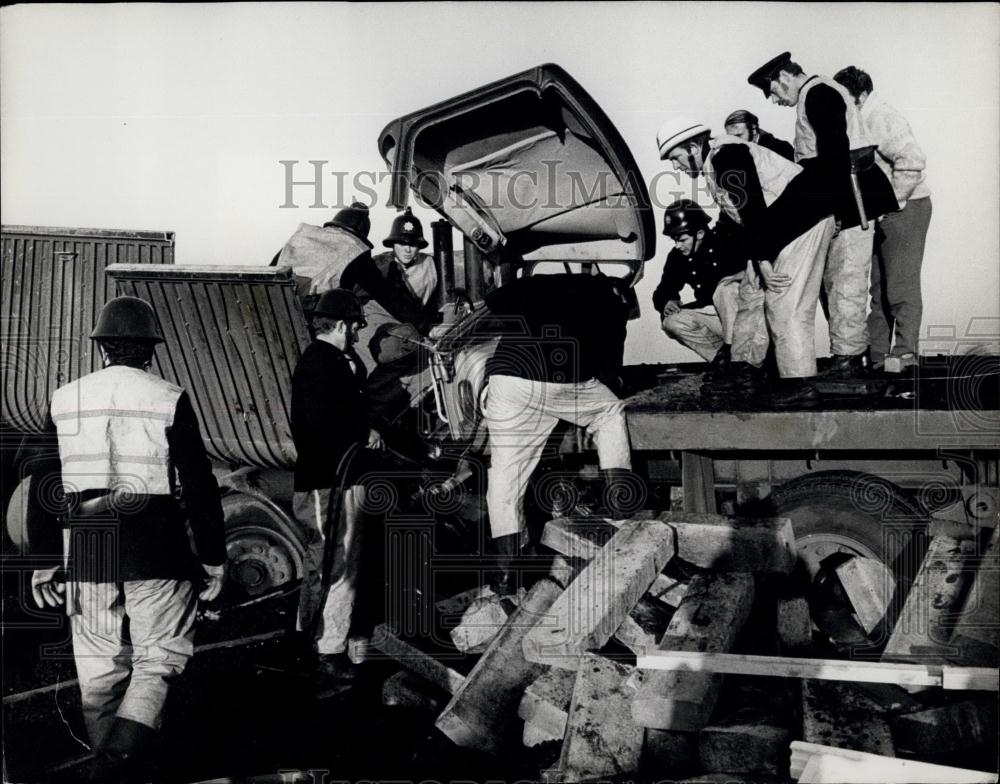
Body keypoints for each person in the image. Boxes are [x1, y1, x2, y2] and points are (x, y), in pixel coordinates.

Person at [28, 296, 226, 782]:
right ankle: (114, 770)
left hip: (88, 538)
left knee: (99, 670)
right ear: (149, 352)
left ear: (101, 350)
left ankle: (110, 767)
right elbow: (199, 483)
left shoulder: (64, 397)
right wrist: (214, 558)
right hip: (153, 538)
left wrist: (45, 559)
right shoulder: (168, 396)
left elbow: (39, 480)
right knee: (157, 661)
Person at [656, 116, 837, 404]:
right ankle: (745, 373)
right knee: (750, 295)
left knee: (783, 300)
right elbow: (738, 219)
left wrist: (762, 260)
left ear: (692, 146)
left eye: (676, 158)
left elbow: (751, 206)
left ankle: (799, 384)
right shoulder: (713, 164)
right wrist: (754, 263)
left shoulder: (727, 155)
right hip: (777, 228)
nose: (676, 167)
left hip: (803, 221)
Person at [747, 52, 899, 377]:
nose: (774, 100)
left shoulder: (818, 94)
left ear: (783, 78)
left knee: (846, 285)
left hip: (853, 203)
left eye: (772, 91)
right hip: (847, 200)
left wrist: (778, 228)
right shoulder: (816, 93)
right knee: (839, 285)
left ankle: (850, 366)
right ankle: (848, 360)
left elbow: (831, 164)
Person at [483, 273, 634, 589]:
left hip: (506, 377)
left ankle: (507, 576)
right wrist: (612, 383)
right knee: (609, 412)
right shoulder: (612, 298)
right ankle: (621, 512)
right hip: (559, 375)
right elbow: (610, 364)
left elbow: (493, 302)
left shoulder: (538, 281)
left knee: (505, 479)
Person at [290, 288, 382, 682]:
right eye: (356, 326)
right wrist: (364, 432)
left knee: (333, 561)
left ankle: (313, 641)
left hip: (339, 479)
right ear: (342, 325)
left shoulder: (330, 360)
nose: (359, 334)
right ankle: (325, 650)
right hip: (329, 482)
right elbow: (324, 423)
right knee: (334, 564)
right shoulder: (322, 362)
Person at [834, 65, 932, 372]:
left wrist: (894, 202)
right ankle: (876, 354)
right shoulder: (858, 119)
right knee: (878, 287)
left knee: (900, 286)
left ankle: (904, 353)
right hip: (879, 213)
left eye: (846, 101)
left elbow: (913, 159)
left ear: (862, 95)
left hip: (906, 209)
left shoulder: (881, 116)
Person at [340, 206, 441, 371]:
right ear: (393, 244)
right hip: (380, 323)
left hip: (415, 327)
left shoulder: (431, 267)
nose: (407, 249)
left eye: (413, 244)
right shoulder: (378, 267)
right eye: (402, 243)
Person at [653, 199, 745, 377]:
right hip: (715, 316)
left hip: (744, 316)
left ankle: (742, 362)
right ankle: (724, 362)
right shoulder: (678, 256)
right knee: (672, 322)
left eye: (682, 239)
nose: (677, 245)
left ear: (700, 233)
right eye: (674, 240)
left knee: (726, 289)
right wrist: (667, 301)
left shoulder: (727, 241)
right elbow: (663, 289)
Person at [724, 109, 795, 161]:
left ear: (753, 129)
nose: (734, 141)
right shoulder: (729, 152)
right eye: (730, 137)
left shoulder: (781, 149)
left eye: (738, 136)